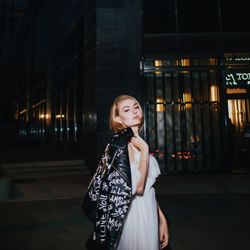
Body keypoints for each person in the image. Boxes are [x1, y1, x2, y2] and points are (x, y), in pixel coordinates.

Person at [84, 94, 169, 250]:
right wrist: (144, 151)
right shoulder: (123, 146)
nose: (134, 111)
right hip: (133, 215)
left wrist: (161, 219)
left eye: (136, 106)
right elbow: (138, 188)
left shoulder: (138, 142)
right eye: (127, 109)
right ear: (118, 119)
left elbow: (149, 189)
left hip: (148, 210)